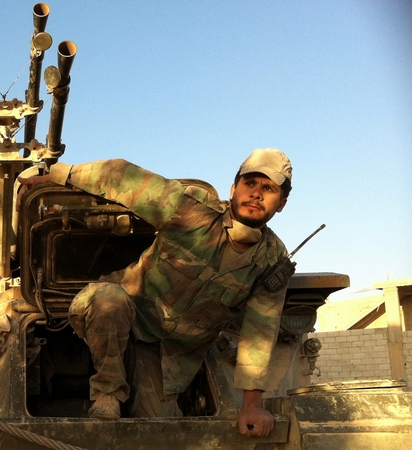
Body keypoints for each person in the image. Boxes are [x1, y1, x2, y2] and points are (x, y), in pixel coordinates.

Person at [17, 148, 292, 438]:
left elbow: (259, 332)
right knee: (109, 299)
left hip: (168, 354)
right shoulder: (194, 212)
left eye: (268, 189)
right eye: (250, 183)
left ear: (281, 203)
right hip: (125, 313)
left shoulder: (272, 261)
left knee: (157, 433)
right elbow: (124, 178)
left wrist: (252, 405)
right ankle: (107, 392)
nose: (256, 194)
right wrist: (57, 175)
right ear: (234, 188)